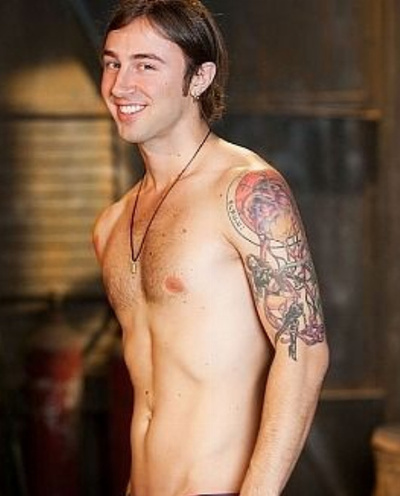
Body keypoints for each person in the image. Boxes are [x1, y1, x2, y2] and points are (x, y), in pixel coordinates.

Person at [93, 1, 329, 495]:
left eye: (146, 65)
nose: (120, 85)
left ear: (200, 78)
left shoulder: (245, 191)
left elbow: (304, 356)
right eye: (113, 63)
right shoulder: (111, 225)